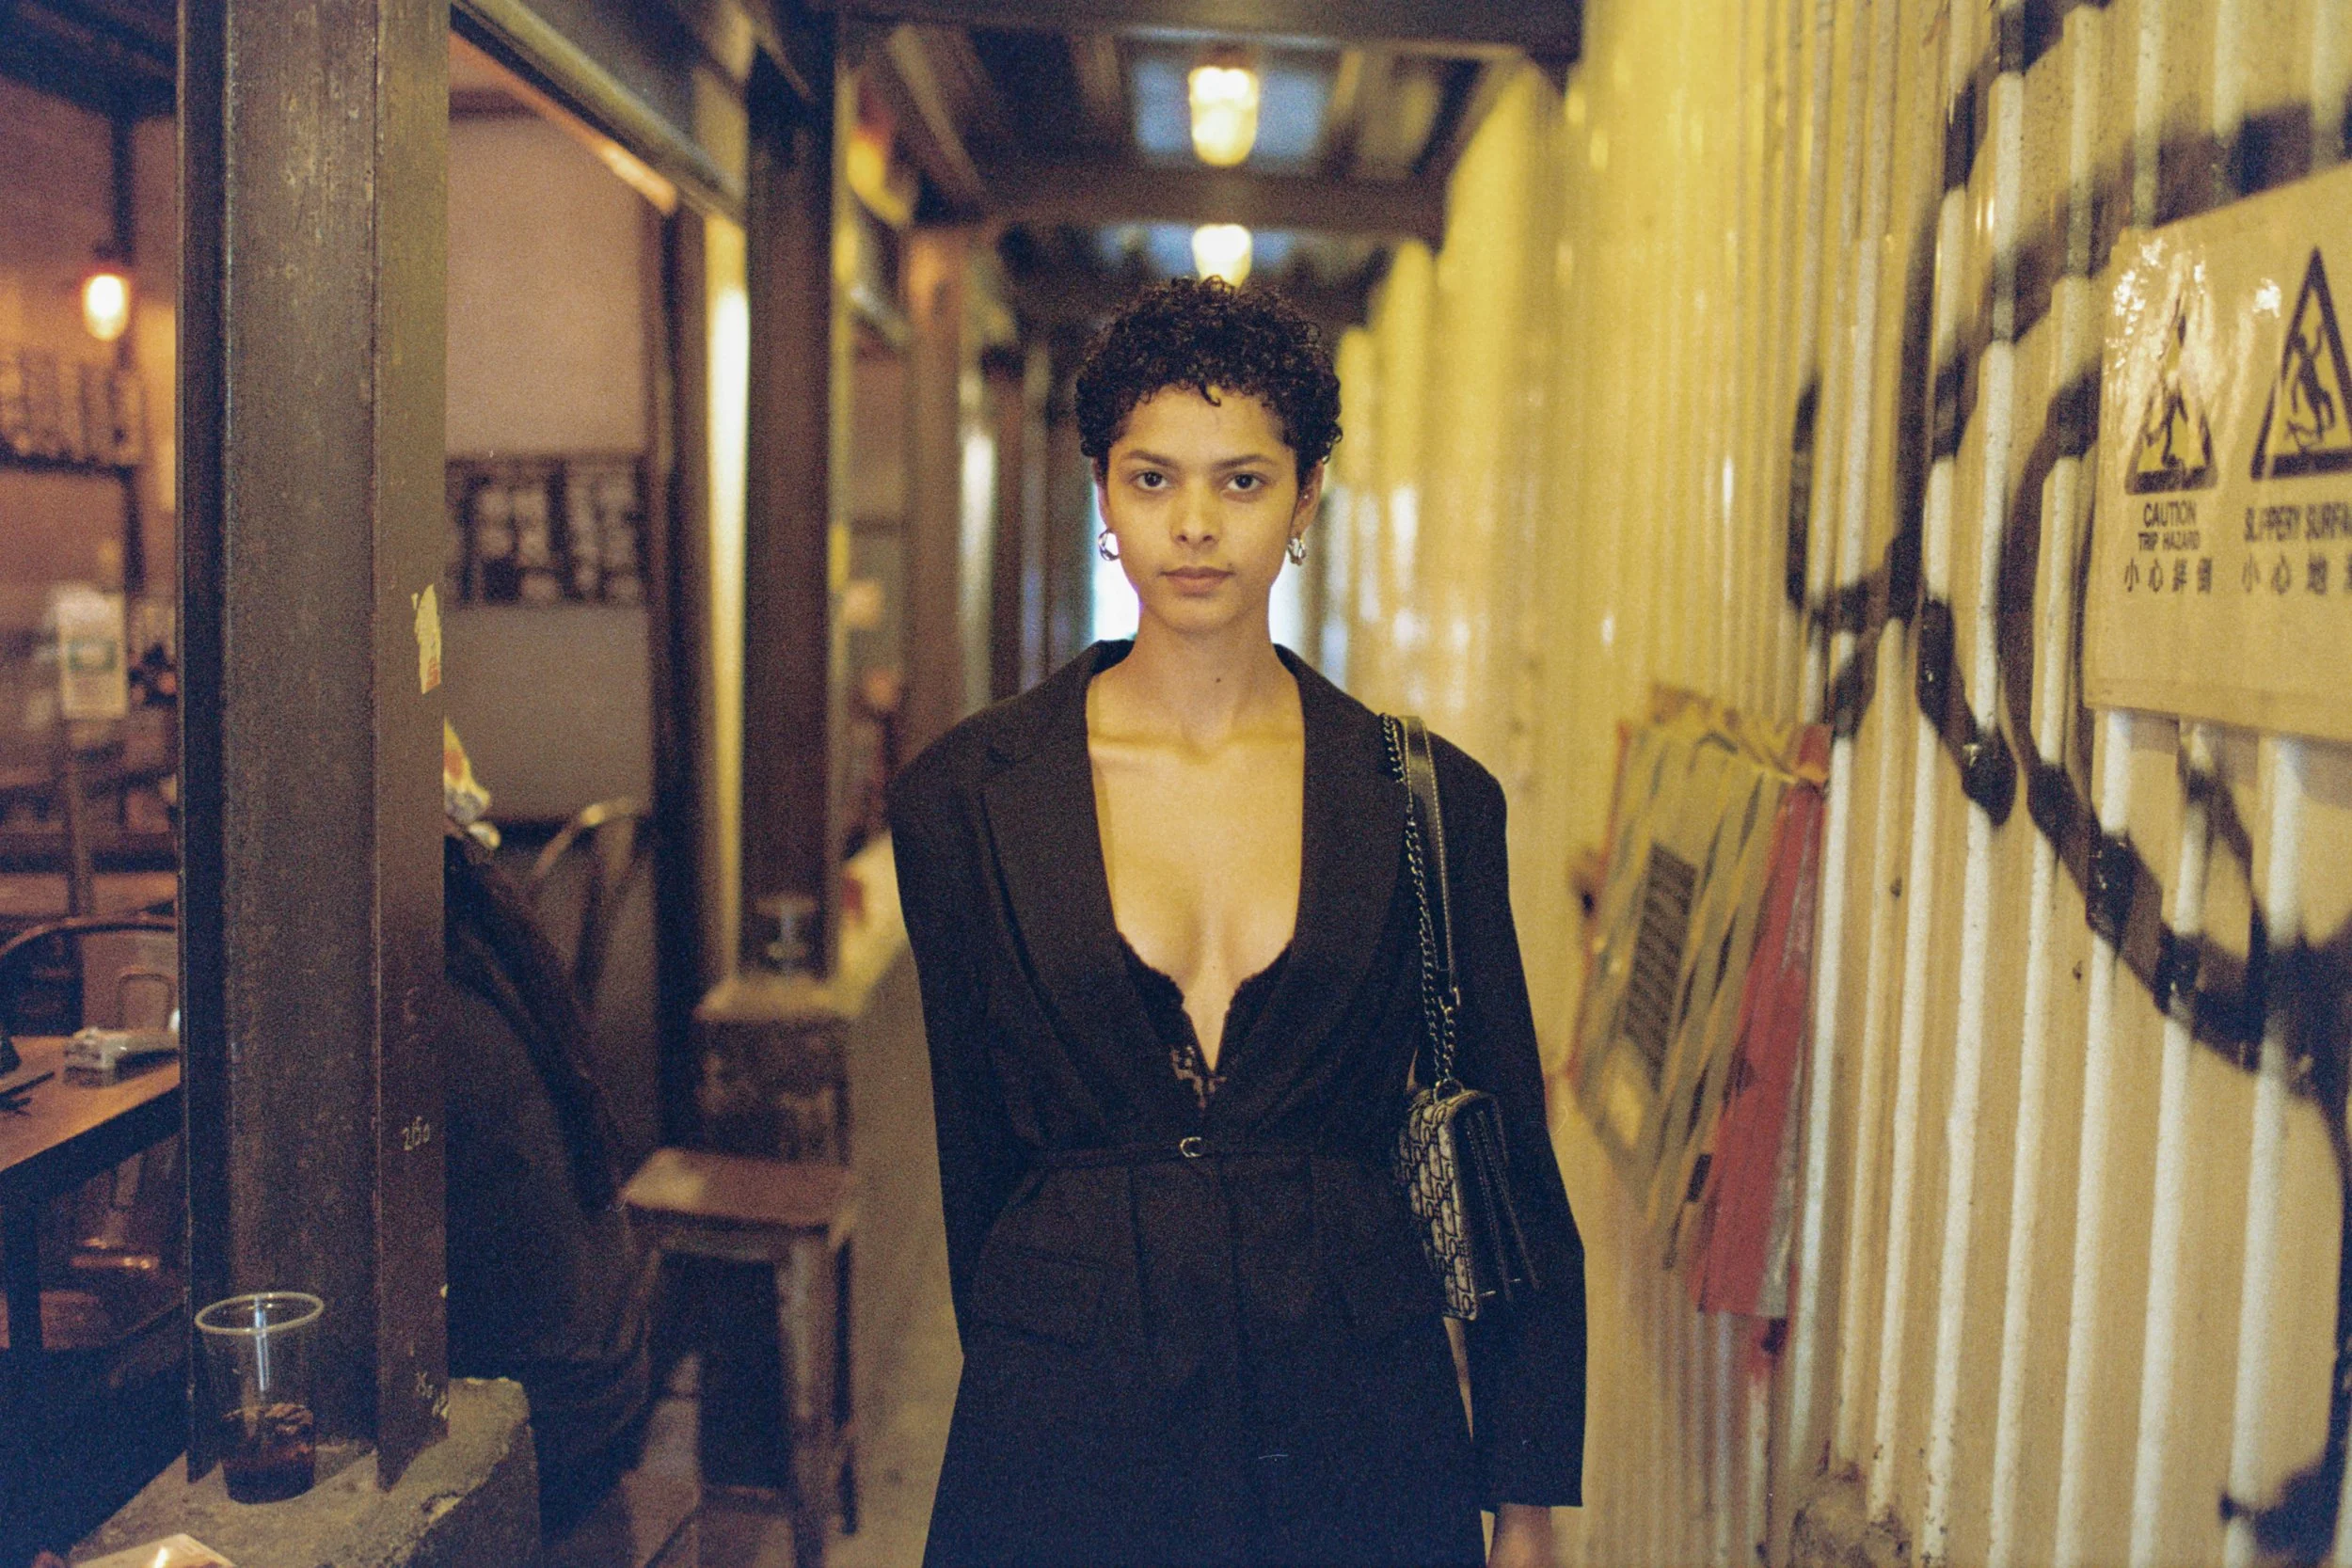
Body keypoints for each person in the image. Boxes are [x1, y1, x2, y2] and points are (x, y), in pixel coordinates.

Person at [887, 277, 1586, 1568]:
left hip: (1358, 1422)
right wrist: (1028, 1370)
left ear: (1307, 496)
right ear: (1103, 492)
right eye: (1153, 479)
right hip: (1062, 1428)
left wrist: (1526, 1496)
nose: (1195, 526)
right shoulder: (967, 798)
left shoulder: (1425, 798)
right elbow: (971, 1156)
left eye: (1243, 481)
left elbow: (1510, 1160)